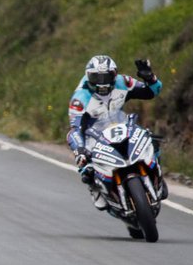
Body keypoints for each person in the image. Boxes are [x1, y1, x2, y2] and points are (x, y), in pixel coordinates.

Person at [66, 54, 164, 209]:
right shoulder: (80, 98)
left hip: (121, 126)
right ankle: (95, 187)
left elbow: (153, 92)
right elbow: (75, 129)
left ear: (115, 74)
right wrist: (80, 150)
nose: (102, 83)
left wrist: (150, 78)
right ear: (88, 77)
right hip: (94, 135)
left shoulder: (123, 82)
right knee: (85, 164)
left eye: (106, 77)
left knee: (151, 140)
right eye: (96, 78)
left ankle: (157, 174)